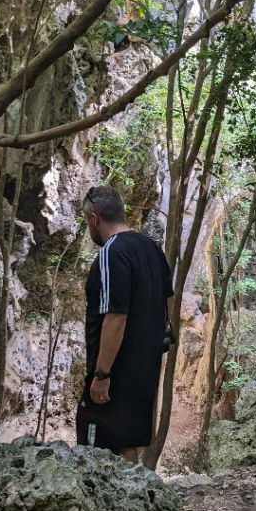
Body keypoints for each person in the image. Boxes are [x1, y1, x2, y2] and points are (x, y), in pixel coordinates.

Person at [76, 186, 173, 463]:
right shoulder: (152, 249)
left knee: (93, 440)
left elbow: (115, 316)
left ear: (94, 217)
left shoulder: (112, 252)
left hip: (116, 369)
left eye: (87, 222)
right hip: (145, 368)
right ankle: (130, 501)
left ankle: (99, 504)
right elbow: (169, 298)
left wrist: (102, 375)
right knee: (125, 442)